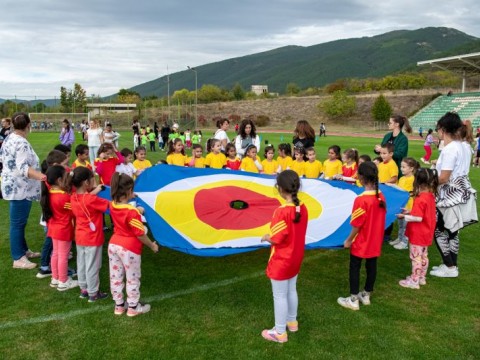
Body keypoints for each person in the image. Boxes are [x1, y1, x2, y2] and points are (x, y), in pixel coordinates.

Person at [261, 170, 308, 343]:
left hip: (282, 259)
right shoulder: (302, 207)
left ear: (280, 189)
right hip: (296, 256)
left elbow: (276, 239)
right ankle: (292, 321)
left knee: (279, 295)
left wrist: (267, 237)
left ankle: (280, 332)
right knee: (291, 289)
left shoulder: (282, 212)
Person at [430, 113, 477, 278]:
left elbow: (444, 178)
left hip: (450, 195)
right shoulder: (464, 145)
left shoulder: (450, 149)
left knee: (439, 230)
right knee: (453, 230)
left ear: (442, 130)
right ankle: (450, 265)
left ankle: (450, 267)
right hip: (461, 191)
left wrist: (428, 180)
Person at [337, 162, 387, 311]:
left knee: (355, 267)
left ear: (361, 178)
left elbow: (357, 224)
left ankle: (353, 299)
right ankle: (366, 294)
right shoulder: (380, 196)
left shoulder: (361, 200)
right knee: (372, 265)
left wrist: (349, 240)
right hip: (375, 239)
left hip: (362, 240)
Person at [108, 172, 159, 316]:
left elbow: (124, 213)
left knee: (116, 276)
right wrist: (152, 245)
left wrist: (135, 208)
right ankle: (133, 307)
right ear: (129, 191)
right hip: (129, 248)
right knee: (132, 277)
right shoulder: (132, 212)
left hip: (113, 245)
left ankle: (119, 305)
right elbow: (140, 233)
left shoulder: (113, 204)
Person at [0, 112, 45, 269]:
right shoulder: (21, 142)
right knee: (17, 224)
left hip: (13, 186)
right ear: (28, 125)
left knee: (20, 222)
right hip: (20, 188)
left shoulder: (9, 138)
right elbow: (24, 168)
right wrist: (43, 177)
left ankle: (23, 250)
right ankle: (18, 258)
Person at [69, 166, 110, 301]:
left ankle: (84, 289)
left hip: (80, 236)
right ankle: (93, 293)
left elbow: (86, 198)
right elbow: (110, 205)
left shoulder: (74, 197)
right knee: (93, 265)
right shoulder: (92, 200)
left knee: (82, 263)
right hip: (93, 237)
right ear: (87, 182)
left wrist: (97, 190)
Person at [396, 168, 438, 289]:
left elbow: (418, 218)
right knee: (424, 256)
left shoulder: (420, 199)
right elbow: (424, 213)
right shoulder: (430, 196)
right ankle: (421, 277)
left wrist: (405, 216)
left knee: (416, 257)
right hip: (426, 232)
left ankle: (414, 281)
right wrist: (410, 211)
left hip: (418, 233)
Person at [40, 165, 78, 291]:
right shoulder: (63, 196)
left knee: (56, 253)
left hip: (54, 228)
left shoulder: (49, 193)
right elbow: (74, 210)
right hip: (63, 229)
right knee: (63, 255)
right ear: (59, 180)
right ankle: (63, 281)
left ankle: (55, 278)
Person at [390, 158, 419, 250]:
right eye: (401, 166)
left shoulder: (413, 179)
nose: (401, 169)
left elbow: (411, 192)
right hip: (401, 205)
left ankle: (405, 242)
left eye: (404, 167)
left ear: (411, 168)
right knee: (401, 224)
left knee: (407, 225)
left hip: (409, 205)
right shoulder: (401, 178)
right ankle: (400, 238)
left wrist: (395, 187)